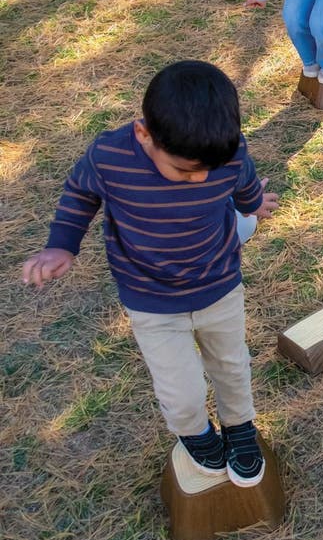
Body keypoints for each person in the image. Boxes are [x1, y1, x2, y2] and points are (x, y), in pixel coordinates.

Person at [21, 61, 279, 487]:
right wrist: (61, 244)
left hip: (219, 285)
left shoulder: (227, 152)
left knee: (232, 366)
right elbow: (80, 192)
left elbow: (243, 181)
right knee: (182, 392)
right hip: (151, 298)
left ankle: (240, 428)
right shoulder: (110, 157)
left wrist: (252, 204)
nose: (197, 178)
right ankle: (197, 435)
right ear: (144, 135)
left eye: (206, 171)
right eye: (183, 170)